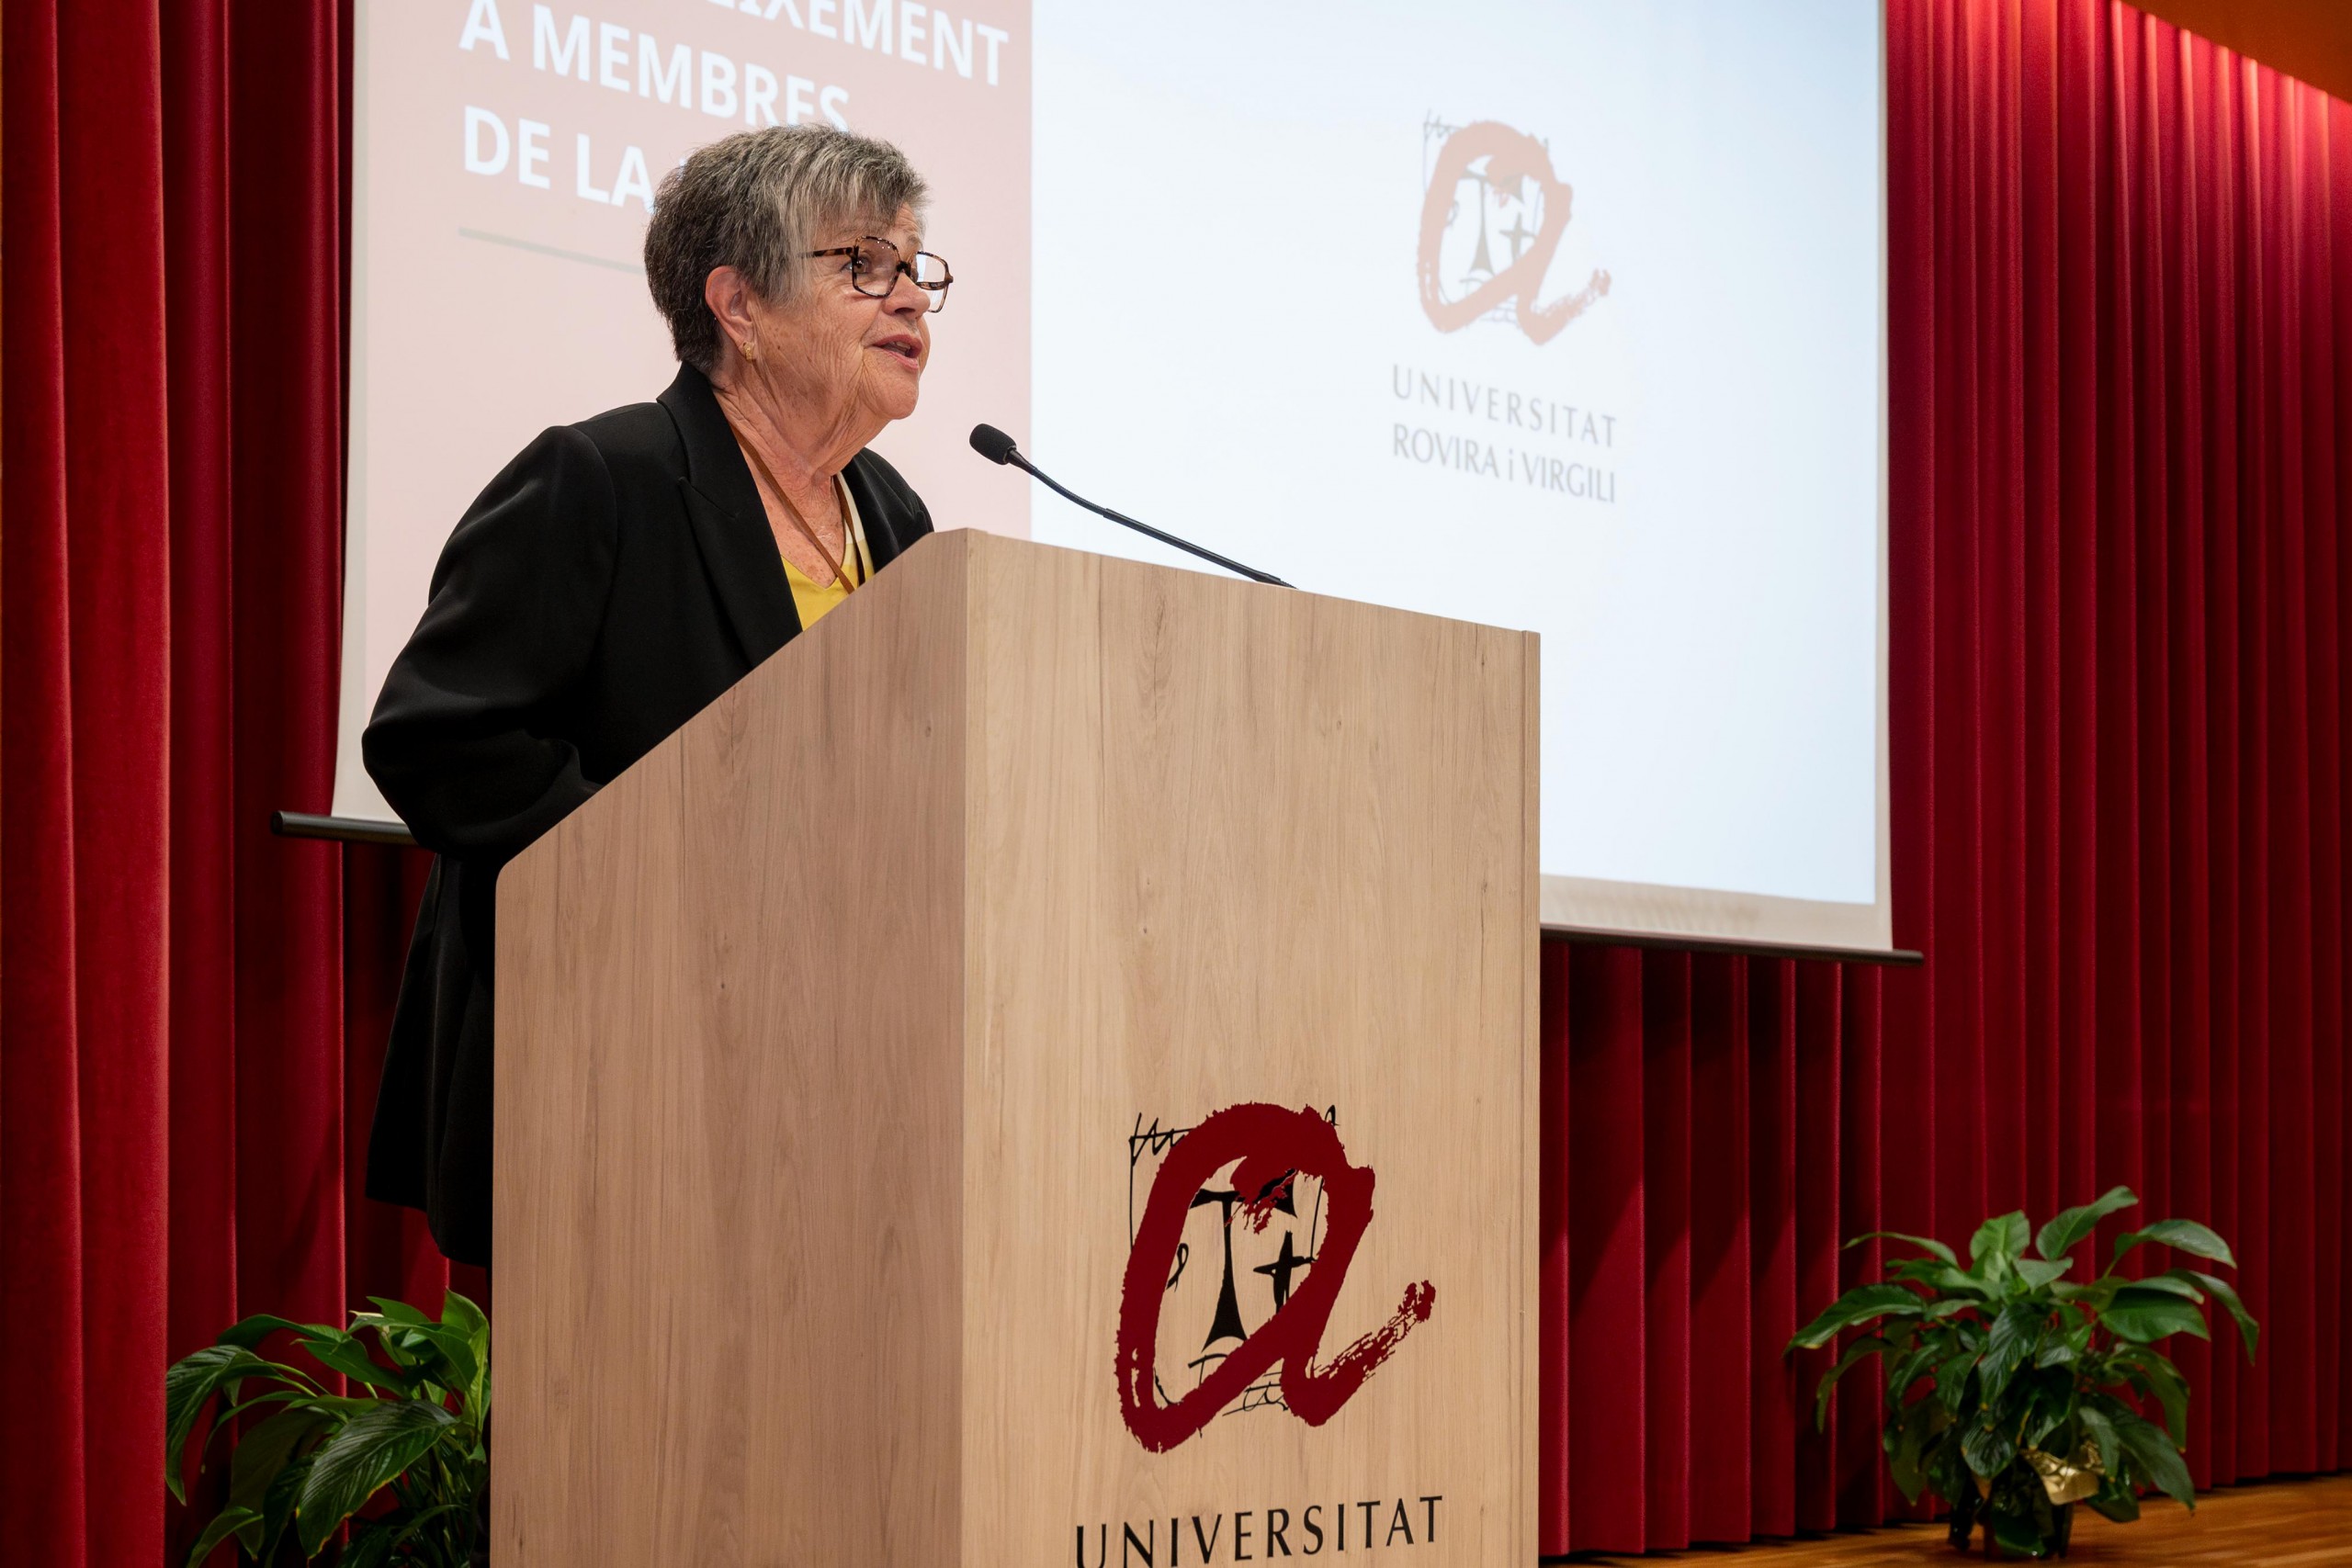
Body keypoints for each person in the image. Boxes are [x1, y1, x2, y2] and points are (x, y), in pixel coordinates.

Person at [362, 125, 953, 1265]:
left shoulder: (895, 515)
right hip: (617, 1067)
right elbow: (438, 738)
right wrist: (674, 875)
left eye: (915, 266)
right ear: (738, 304)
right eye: (863, 264)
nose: (910, 300)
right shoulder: (605, 478)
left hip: (837, 1070)